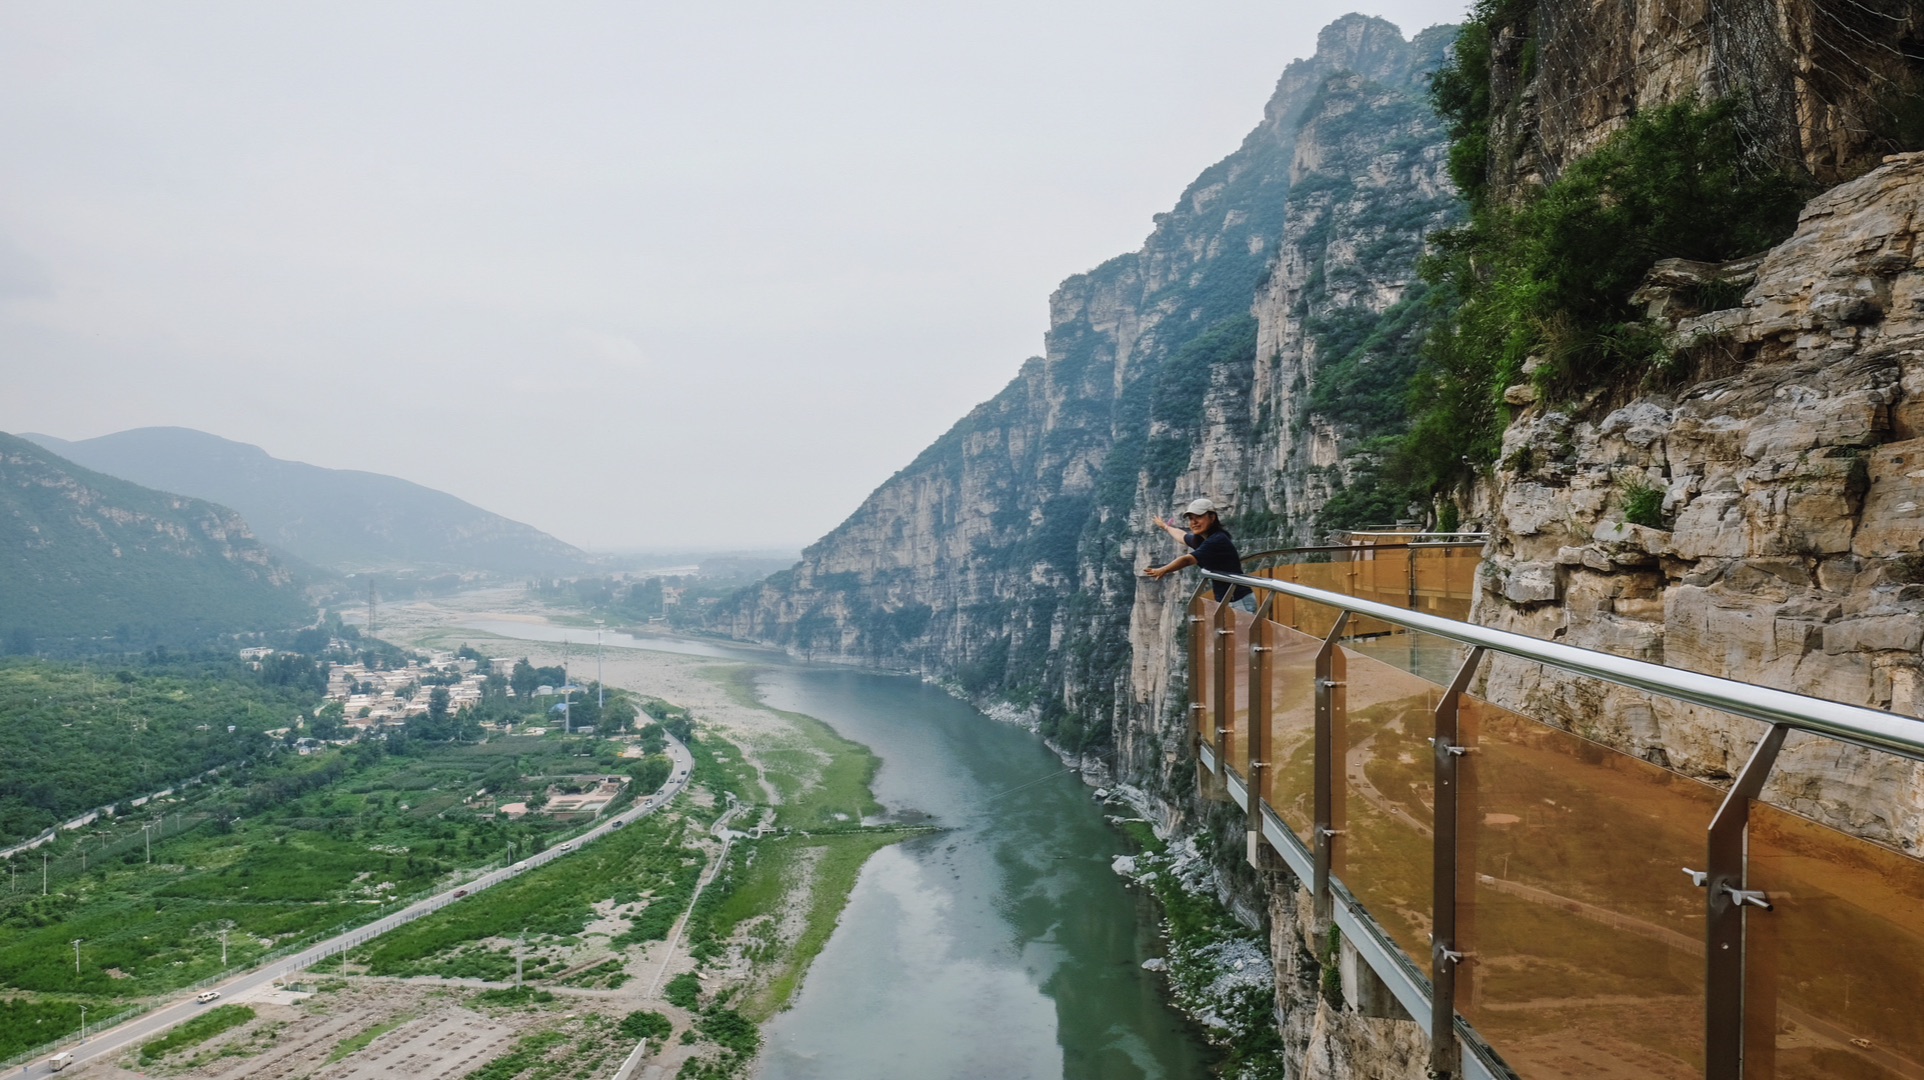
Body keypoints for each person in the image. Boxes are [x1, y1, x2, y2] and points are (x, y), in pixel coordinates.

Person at [1143, 498, 1253, 607]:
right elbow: (1182, 536)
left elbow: (1187, 559)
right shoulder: (1203, 539)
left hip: (1239, 601)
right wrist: (1165, 527)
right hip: (1229, 600)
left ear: (1212, 517)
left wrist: (1163, 569)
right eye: (1191, 519)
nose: (1194, 522)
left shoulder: (1217, 540)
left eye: (1199, 517)